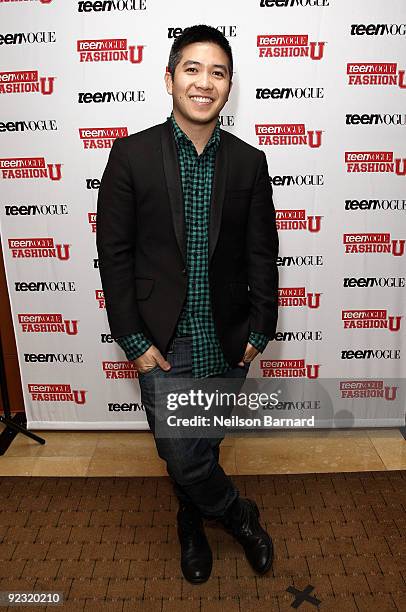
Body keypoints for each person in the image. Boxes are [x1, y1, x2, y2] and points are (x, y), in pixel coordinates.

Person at [96, 24, 279, 584]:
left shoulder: (249, 162)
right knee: (182, 454)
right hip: (162, 341)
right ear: (170, 78)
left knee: (205, 442)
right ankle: (236, 514)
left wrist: (260, 328)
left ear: (229, 85)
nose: (205, 82)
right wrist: (134, 341)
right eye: (193, 69)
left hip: (227, 336)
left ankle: (190, 516)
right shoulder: (130, 156)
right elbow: (114, 254)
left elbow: (262, 252)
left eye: (218, 72)